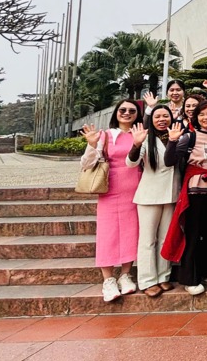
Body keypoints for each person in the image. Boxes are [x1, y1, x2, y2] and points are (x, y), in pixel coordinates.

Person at [80, 99, 143, 303]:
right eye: (122, 110)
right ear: (116, 113)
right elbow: (87, 163)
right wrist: (91, 145)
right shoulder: (106, 135)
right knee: (108, 233)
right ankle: (108, 279)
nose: (127, 113)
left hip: (135, 188)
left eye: (132, 111)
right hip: (110, 188)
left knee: (131, 231)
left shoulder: (140, 133)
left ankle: (126, 274)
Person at [162, 100, 207, 295]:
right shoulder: (189, 137)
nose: (206, 118)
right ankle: (190, 277)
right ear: (195, 117)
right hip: (195, 192)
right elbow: (170, 160)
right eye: (202, 114)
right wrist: (172, 141)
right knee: (193, 234)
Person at [125, 104, 180, 297]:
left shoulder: (177, 135)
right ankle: (147, 280)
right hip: (149, 196)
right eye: (158, 116)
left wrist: (174, 141)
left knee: (165, 238)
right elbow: (131, 163)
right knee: (148, 240)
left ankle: (163, 276)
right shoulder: (146, 139)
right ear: (152, 119)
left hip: (171, 194)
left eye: (166, 116)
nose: (162, 119)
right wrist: (136, 144)